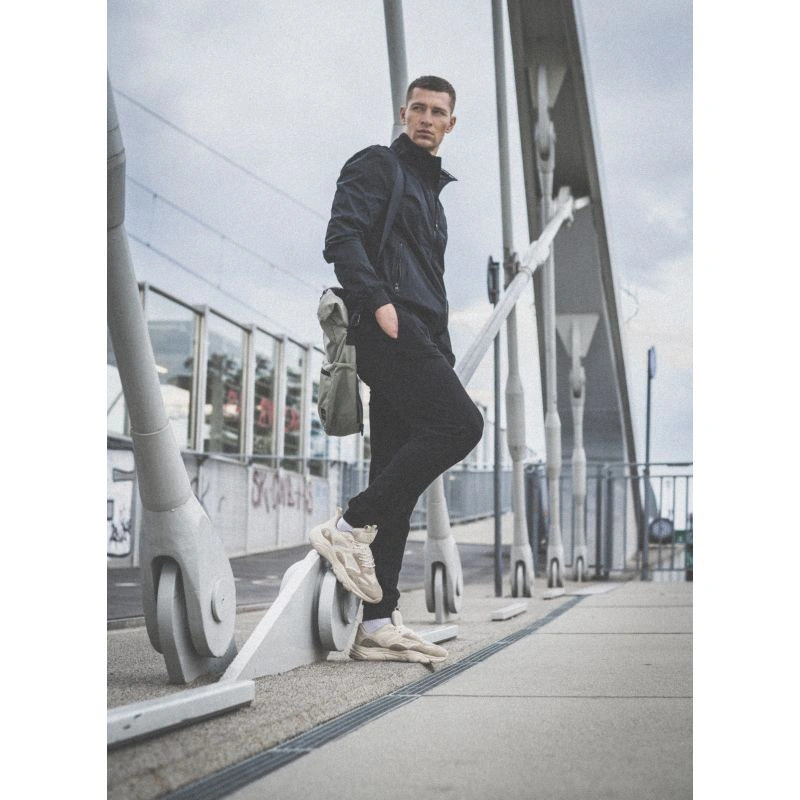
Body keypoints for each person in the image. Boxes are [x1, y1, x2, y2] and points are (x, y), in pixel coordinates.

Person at [310, 75, 483, 664]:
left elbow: (431, 281)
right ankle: (349, 526)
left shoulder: (431, 196)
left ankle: (377, 620)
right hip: (387, 326)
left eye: (438, 112)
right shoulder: (378, 165)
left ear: (451, 124)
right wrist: (380, 302)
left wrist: (441, 347)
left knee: (395, 469)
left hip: (420, 333)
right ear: (403, 113)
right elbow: (342, 236)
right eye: (419, 109)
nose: (427, 119)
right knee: (462, 426)